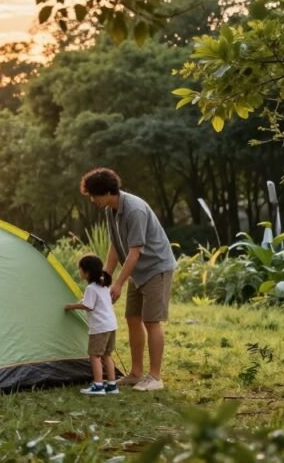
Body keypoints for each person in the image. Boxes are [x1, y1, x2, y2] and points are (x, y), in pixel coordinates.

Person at [80, 167, 177, 392]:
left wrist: (119, 283)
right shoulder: (110, 210)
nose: (93, 200)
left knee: (151, 321)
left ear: (106, 192)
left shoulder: (134, 211)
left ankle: (155, 377)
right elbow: (115, 245)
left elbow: (135, 251)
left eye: (94, 195)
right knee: (132, 317)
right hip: (137, 271)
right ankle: (135, 373)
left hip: (156, 267)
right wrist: (104, 278)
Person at [65, 254, 119, 396]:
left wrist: (71, 306)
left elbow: (88, 306)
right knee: (107, 355)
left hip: (100, 327)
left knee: (94, 355)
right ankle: (112, 385)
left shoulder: (91, 288)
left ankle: (98, 385)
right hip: (111, 325)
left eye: (80, 269)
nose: (79, 272)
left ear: (87, 272)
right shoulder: (104, 286)